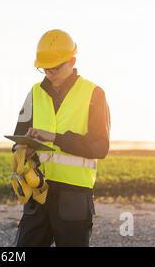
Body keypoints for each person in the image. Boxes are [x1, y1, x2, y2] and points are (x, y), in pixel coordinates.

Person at [12, 29, 111, 247]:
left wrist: (55, 137)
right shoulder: (34, 93)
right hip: (38, 191)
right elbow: (19, 136)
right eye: (45, 68)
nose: (50, 73)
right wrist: (22, 148)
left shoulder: (94, 94)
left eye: (55, 67)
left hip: (74, 195)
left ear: (72, 60)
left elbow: (100, 147)